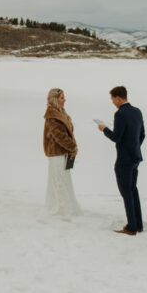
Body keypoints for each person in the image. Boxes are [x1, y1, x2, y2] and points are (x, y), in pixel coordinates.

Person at [97, 86, 145, 235]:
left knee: (126, 192)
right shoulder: (137, 111)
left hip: (124, 159)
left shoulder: (120, 114)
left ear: (118, 98)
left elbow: (116, 137)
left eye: (113, 99)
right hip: (135, 156)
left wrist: (104, 128)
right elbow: (142, 135)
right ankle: (138, 224)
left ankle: (131, 226)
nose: (113, 103)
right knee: (133, 190)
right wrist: (134, 147)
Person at [42, 88, 82, 218]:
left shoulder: (60, 112)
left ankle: (64, 207)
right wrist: (72, 147)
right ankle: (59, 209)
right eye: (62, 98)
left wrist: (72, 147)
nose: (64, 100)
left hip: (63, 153)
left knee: (63, 180)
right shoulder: (53, 116)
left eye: (64, 97)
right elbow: (59, 136)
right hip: (57, 154)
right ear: (55, 99)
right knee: (58, 181)